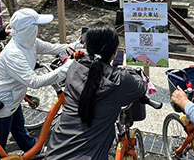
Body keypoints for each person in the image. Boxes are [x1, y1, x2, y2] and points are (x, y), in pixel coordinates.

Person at [0, 8, 80, 153]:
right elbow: (34, 82)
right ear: (28, 29)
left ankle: (32, 149)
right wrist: (65, 69)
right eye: (37, 26)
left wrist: (76, 45)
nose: (40, 29)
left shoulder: (29, 42)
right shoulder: (14, 54)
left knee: (19, 130)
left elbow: (53, 48)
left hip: (12, 98)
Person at [46, 21, 147, 160]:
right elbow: (141, 88)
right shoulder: (120, 79)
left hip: (55, 151)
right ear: (115, 52)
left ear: (87, 46)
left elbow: (93, 77)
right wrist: (128, 71)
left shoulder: (74, 67)